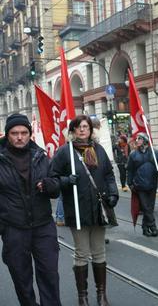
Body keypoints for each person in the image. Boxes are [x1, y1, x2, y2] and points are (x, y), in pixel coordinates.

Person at [50, 114, 119, 306]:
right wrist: (65, 180)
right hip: (78, 210)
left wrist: (113, 193)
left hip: (98, 209)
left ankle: (101, 294)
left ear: (90, 130)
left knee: (99, 252)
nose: (82, 130)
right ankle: (83, 297)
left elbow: (108, 174)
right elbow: (52, 178)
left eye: (86, 127)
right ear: (72, 131)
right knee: (81, 253)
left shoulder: (99, 150)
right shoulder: (65, 152)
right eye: (79, 127)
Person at [0, 113, 61, 306]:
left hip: (43, 227)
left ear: (30, 134)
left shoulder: (41, 156)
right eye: (15, 133)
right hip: (14, 229)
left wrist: (51, 185)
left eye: (24, 132)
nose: (19, 137)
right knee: (21, 279)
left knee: (50, 275)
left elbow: (56, 185)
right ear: (7, 135)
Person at [127, 132, 158, 237]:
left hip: (152, 184)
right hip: (139, 186)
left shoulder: (155, 153)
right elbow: (129, 170)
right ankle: (153, 227)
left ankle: (145, 228)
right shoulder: (133, 154)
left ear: (145, 140)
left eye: (139, 138)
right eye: (136, 139)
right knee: (145, 207)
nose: (137, 140)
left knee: (150, 207)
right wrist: (130, 183)